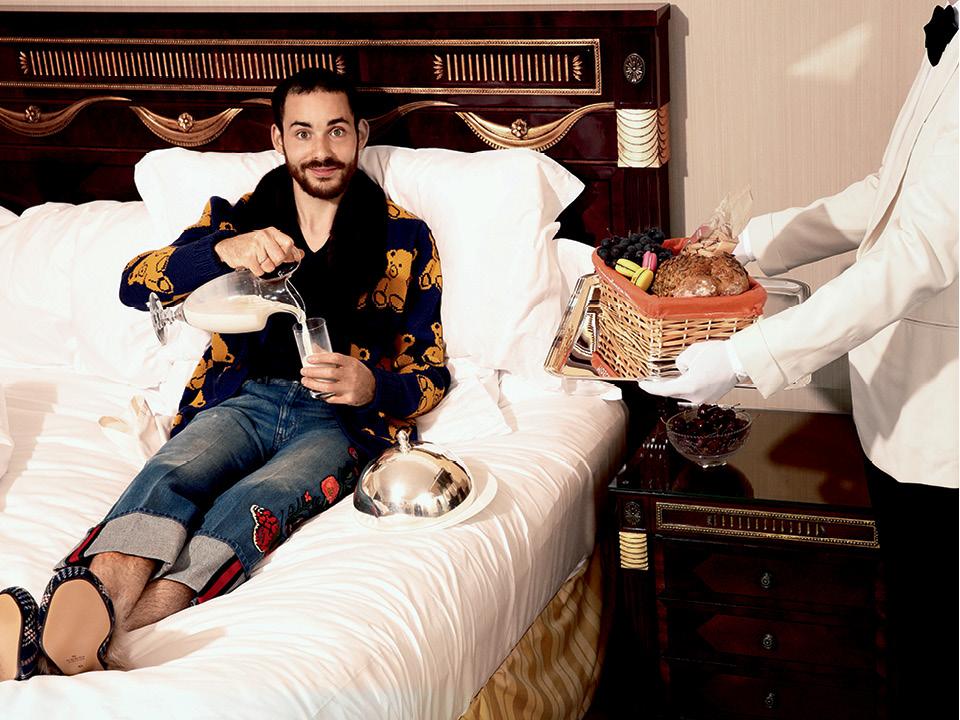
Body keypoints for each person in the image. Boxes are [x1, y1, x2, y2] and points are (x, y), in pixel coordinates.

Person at [0, 67, 450, 680]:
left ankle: (61, 644)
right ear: (278, 139)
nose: (321, 150)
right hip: (241, 399)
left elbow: (430, 372)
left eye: (337, 131)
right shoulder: (238, 219)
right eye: (303, 133)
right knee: (169, 477)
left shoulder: (406, 236)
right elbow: (135, 284)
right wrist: (222, 252)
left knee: (252, 505)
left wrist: (374, 385)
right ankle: (77, 630)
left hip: (340, 423)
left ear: (361, 135)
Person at [641, 5, 958, 717]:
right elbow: (888, 194)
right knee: (916, 649)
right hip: (895, 417)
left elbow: (919, 254)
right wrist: (753, 243)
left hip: (945, 437)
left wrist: (742, 357)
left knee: (942, 664)